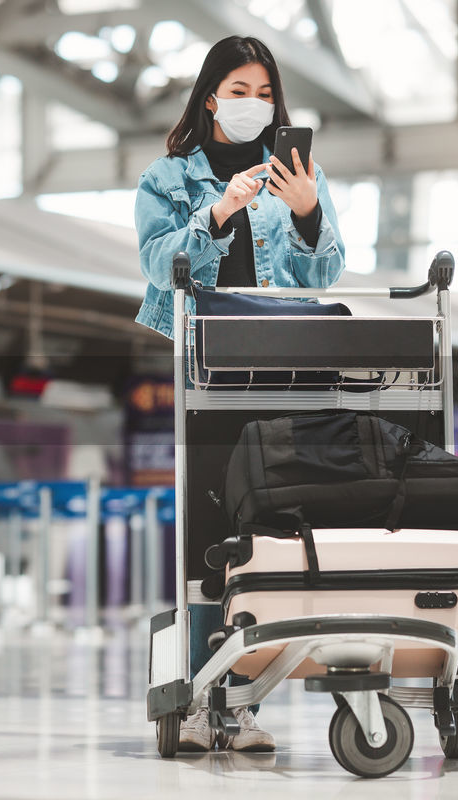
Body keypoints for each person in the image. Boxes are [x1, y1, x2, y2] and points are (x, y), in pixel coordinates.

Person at [132, 35, 347, 753]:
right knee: (208, 529)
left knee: (269, 528)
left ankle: (242, 701)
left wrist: (311, 210)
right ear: (210, 96)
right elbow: (163, 267)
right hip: (208, 371)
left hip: (284, 367)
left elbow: (321, 280)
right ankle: (195, 696)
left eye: (265, 93)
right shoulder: (167, 180)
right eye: (239, 90)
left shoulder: (295, 173)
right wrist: (218, 213)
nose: (253, 104)